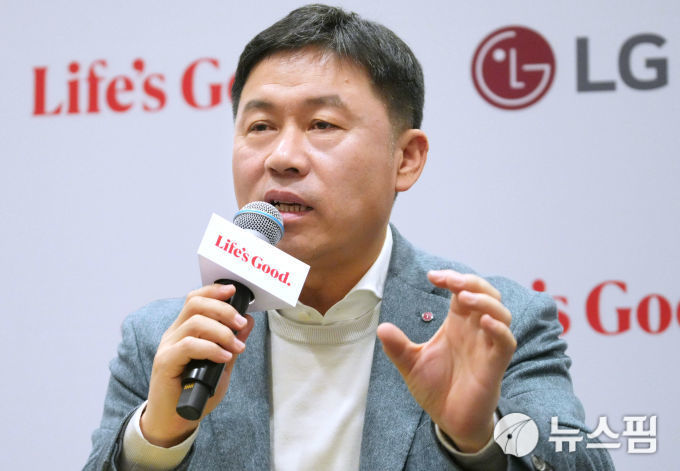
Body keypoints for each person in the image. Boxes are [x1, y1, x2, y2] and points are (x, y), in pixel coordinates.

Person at [85, 4, 614, 470]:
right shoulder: (163, 341)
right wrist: (156, 440)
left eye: (322, 124)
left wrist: (480, 439)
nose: (282, 157)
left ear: (405, 159)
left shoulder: (493, 323)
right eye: (261, 126)